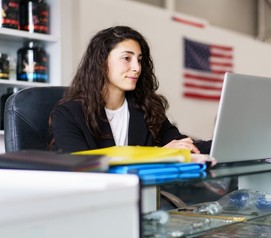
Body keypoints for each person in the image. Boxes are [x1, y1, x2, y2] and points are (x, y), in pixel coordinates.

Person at [48, 26, 211, 154]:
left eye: (139, 60)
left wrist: (225, 143)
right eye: (127, 58)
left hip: (145, 195)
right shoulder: (68, 114)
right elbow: (84, 168)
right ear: (101, 62)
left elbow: (182, 145)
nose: (137, 68)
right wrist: (157, 155)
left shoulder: (147, 109)